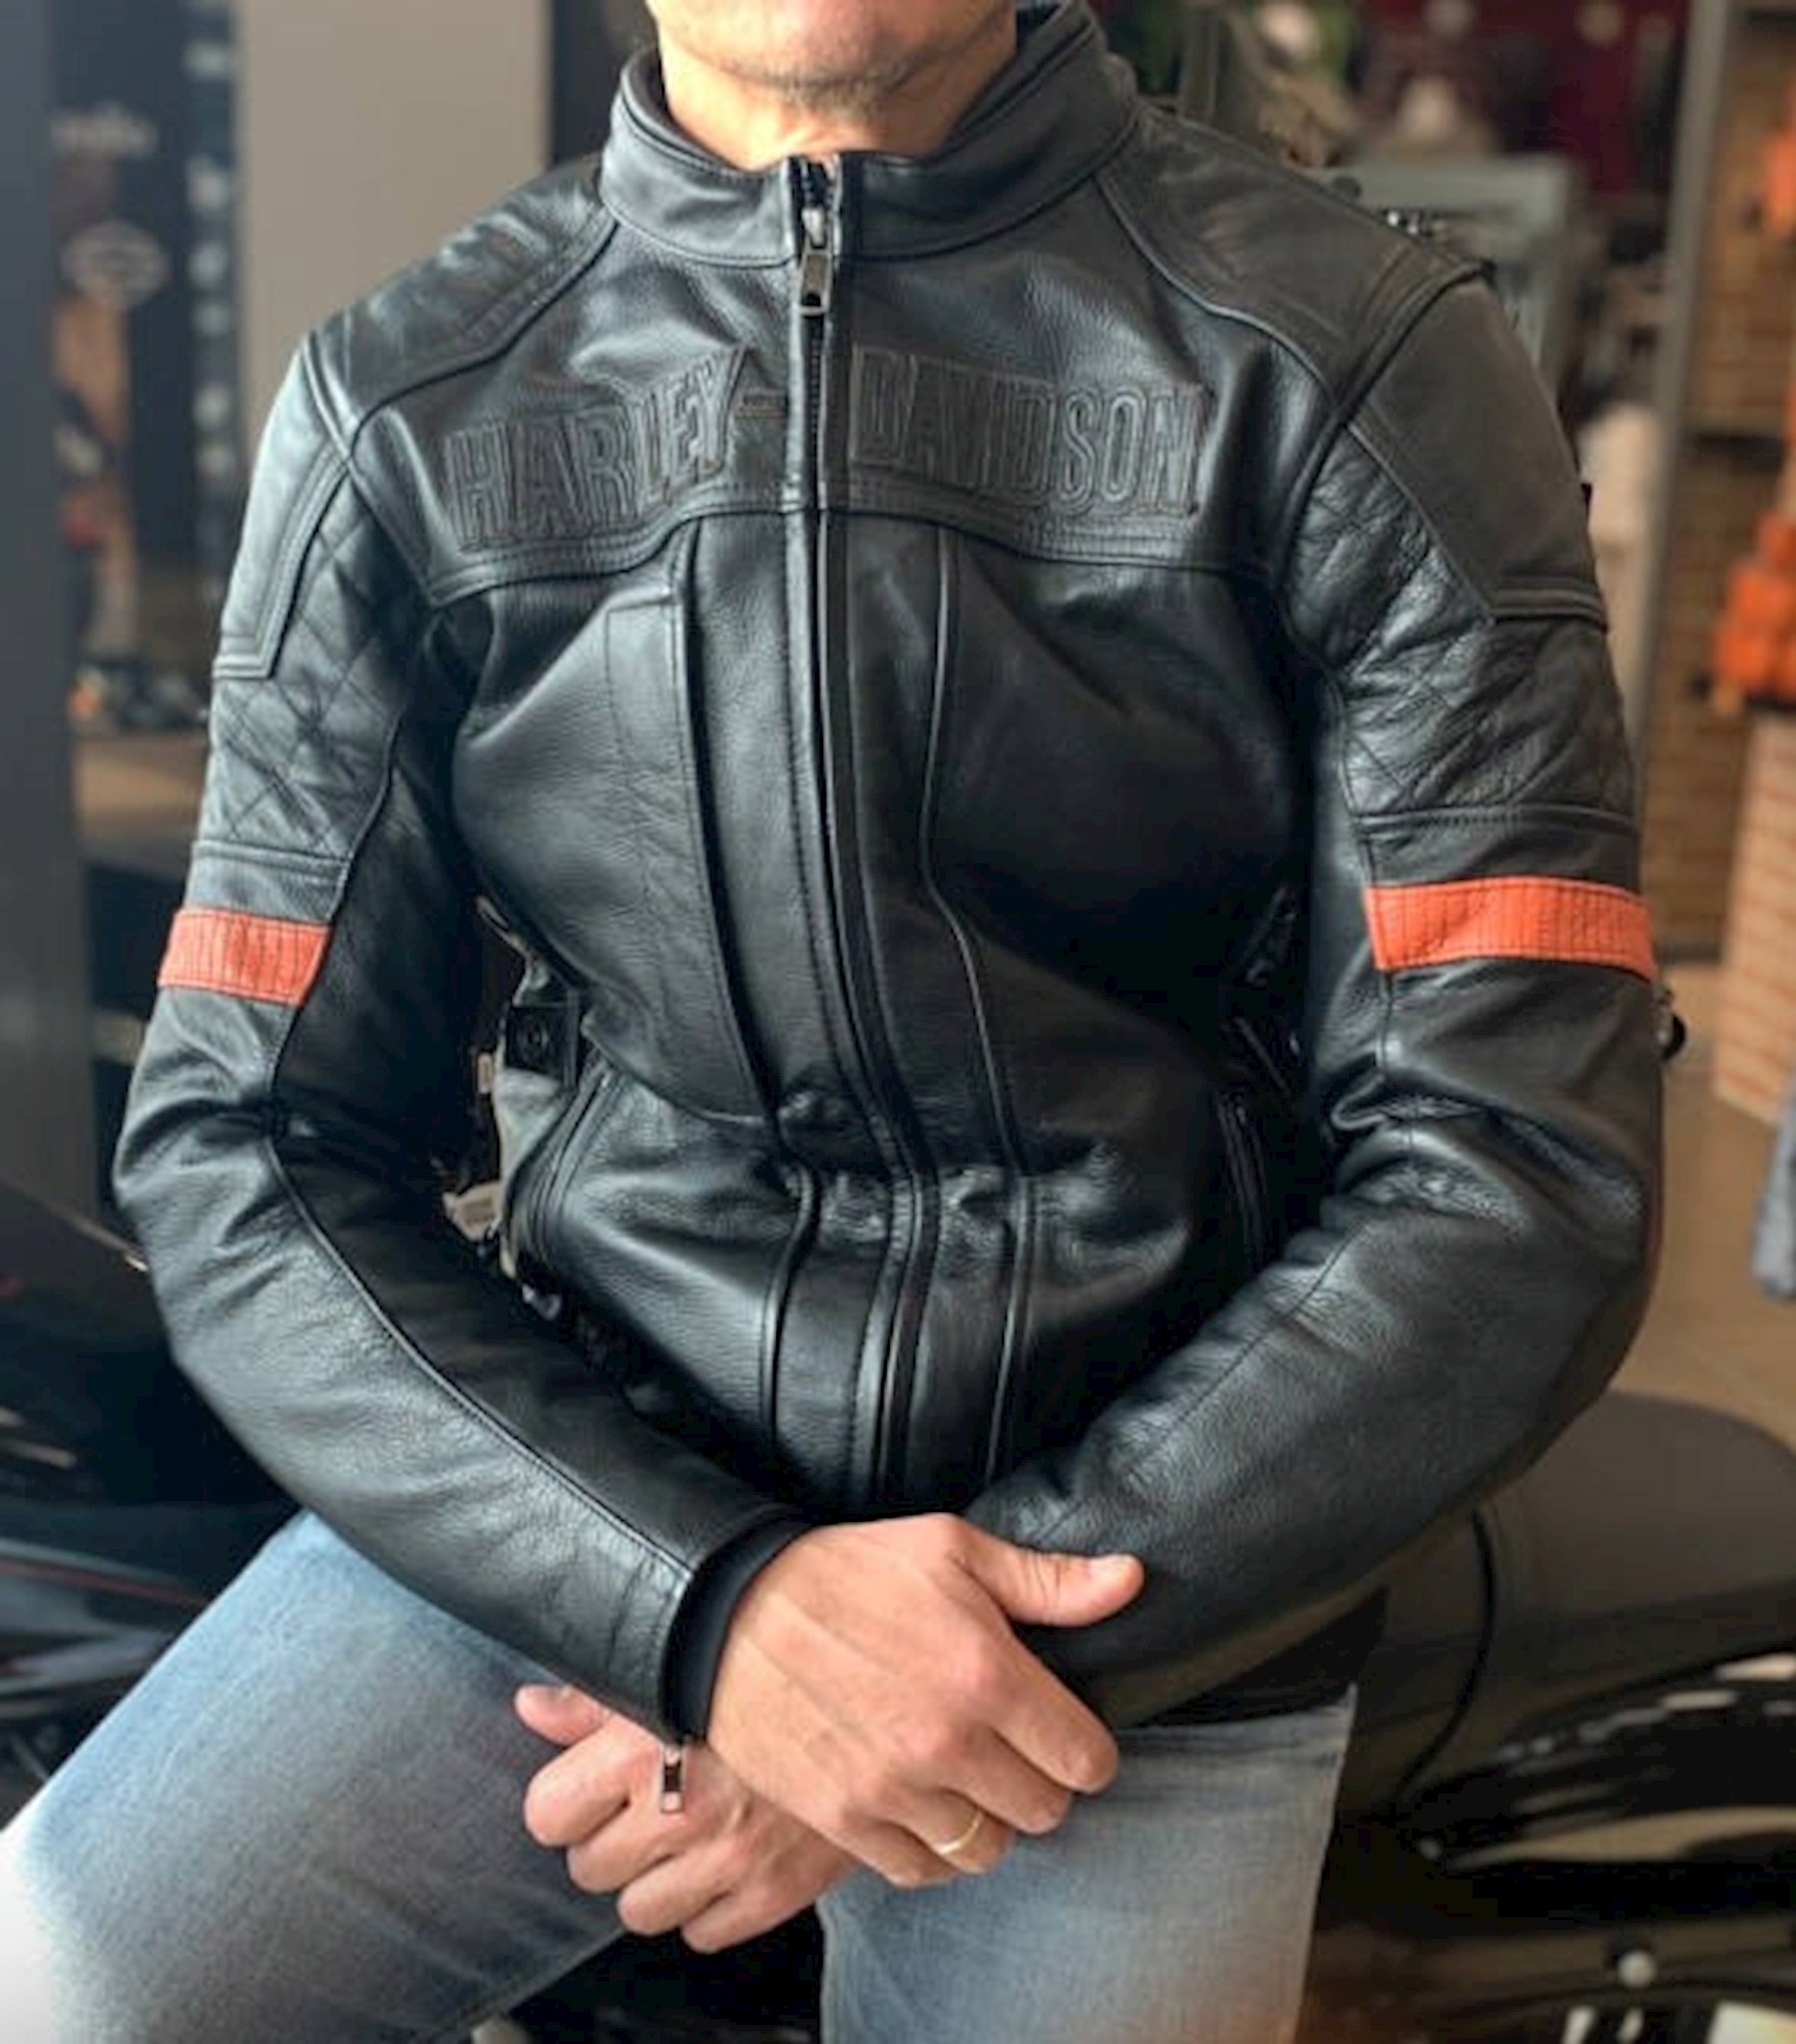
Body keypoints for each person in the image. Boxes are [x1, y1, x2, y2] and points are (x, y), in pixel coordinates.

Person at [0, 2, 1661, 2039]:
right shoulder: (407, 398)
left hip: (1140, 1585)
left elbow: (1517, 1163)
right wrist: (709, 1610)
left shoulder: (1356, 357)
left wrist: (939, 1663)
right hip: (588, 1488)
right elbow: (244, 1143)